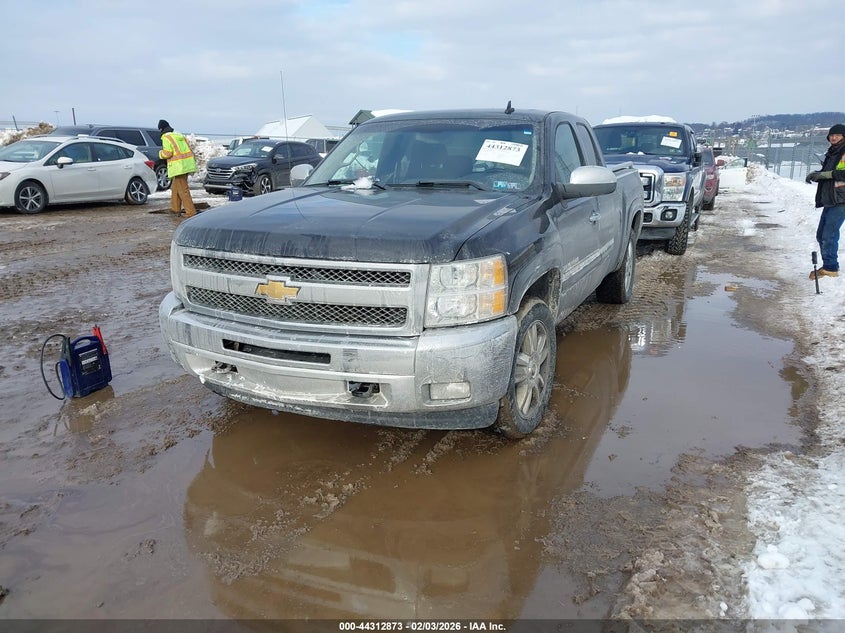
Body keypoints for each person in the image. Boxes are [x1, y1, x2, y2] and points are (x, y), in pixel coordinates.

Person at [805, 123, 845, 279]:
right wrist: (818, 174)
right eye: (832, 135)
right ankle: (829, 265)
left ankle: (831, 268)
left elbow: (840, 174)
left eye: (838, 135)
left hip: (841, 199)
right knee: (821, 234)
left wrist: (826, 175)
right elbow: (828, 172)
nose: (834, 137)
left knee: (828, 234)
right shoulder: (833, 152)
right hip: (831, 198)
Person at [158, 119, 197, 218]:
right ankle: (175, 209)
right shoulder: (178, 136)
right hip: (186, 165)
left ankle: (191, 212)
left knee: (183, 190)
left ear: (161, 129)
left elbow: (168, 153)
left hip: (178, 167)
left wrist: (160, 154)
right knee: (175, 188)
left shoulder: (166, 138)